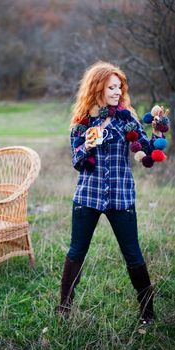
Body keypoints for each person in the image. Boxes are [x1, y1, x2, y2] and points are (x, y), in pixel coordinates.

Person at [56, 61, 167, 325]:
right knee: (76, 252)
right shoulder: (82, 123)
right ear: (97, 89)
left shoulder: (127, 119)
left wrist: (158, 130)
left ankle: (148, 314)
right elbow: (77, 161)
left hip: (121, 197)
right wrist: (88, 145)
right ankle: (64, 309)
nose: (118, 92)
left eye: (120, 87)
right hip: (88, 197)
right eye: (111, 87)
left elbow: (148, 152)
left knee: (133, 254)